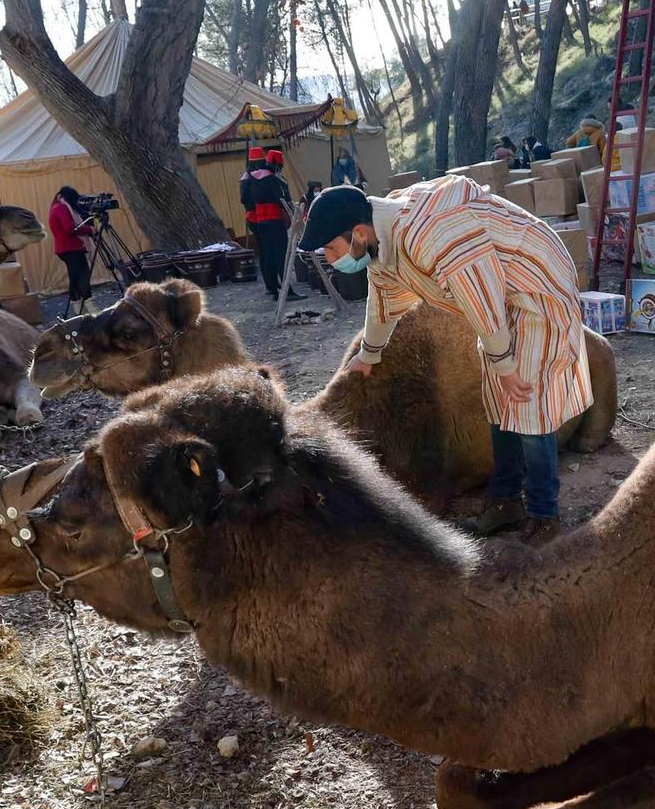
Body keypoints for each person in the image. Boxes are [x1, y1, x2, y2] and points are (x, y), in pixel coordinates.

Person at [299, 178, 593, 544]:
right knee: (499, 404)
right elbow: (384, 301)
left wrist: (505, 363)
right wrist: (368, 354)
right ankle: (505, 502)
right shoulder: (382, 241)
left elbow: (480, 295)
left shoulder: (429, 234)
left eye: (330, 247)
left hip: (536, 286)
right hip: (500, 298)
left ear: (358, 233)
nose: (329, 259)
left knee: (527, 402)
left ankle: (545, 514)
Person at [240, 145, 298, 298]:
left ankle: (272, 288)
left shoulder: (249, 178)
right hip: (274, 219)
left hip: (259, 220)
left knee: (267, 254)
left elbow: (246, 199)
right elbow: (282, 199)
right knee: (281, 254)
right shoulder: (272, 179)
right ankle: (288, 290)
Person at [47, 185, 96, 314]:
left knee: (75, 276)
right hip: (71, 248)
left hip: (66, 249)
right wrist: (89, 229)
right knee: (83, 275)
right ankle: (90, 306)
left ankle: (77, 307)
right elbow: (71, 228)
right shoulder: (61, 208)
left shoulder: (55, 207)